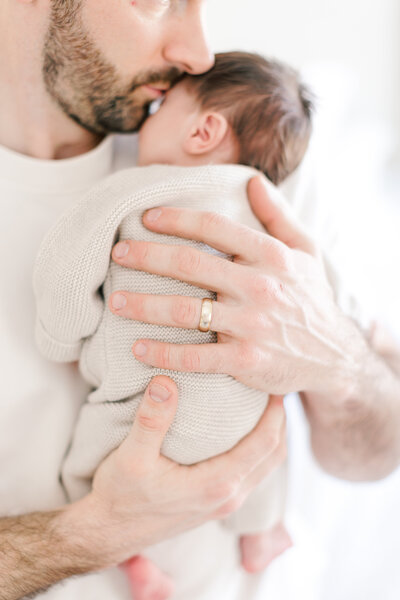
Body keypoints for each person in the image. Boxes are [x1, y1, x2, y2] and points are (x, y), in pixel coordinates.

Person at [0, 1, 399, 600]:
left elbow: (377, 453)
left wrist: (337, 357)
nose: (200, 52)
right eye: (157, 1)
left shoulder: (261, 153)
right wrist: (88, 535)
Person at [32, 51, 312, 600]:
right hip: (240, 416)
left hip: (149, 405)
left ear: (203, 130)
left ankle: (136, 564)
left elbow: (66, 269)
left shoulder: (138, 187)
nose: (145, 122)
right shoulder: (269, 216)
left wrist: (62, 338)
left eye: (161, 107)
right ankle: (262, 530)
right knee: (267, 442)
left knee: (85, 484)